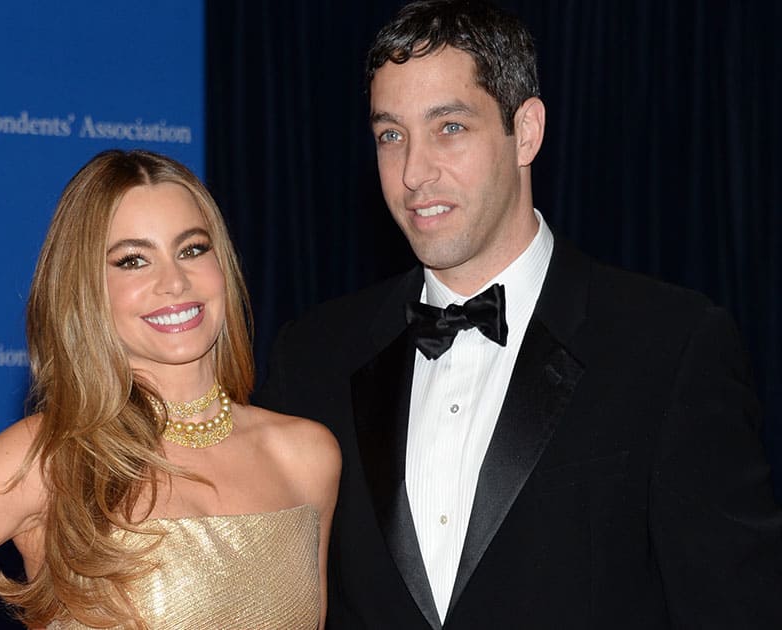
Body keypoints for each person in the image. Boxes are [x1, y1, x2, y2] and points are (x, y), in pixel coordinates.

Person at [256, 1, 782, 628]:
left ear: (526, 130)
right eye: (390, 135)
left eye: (449, 127)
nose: (414, 172)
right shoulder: (313, 355)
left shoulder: (670, 345)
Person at [0, 149, 340, 630]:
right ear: (85, 291)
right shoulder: (50, 458)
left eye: (192, 249)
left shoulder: (305, 455)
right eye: (132, 260)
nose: (174, 281)